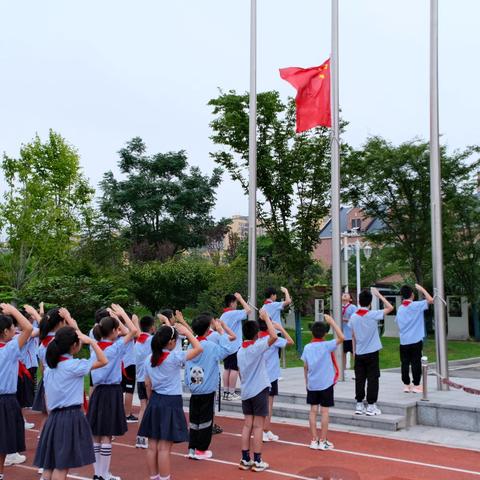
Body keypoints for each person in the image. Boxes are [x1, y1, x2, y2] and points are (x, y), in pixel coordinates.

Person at [34, 317, 108, 480]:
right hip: (70, 417)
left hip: (53, 418)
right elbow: (103, 360)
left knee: (50, 464)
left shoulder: (49, 370)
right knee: (62, 466)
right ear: (74, 346)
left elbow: (47, 400)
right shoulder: (74, 366)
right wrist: (92, 342)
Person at [138, 324, 202, 480]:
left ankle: (154, 477)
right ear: (172, 342)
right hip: (171, 402)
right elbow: (199, 348)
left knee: (152, 446)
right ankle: (165, 478)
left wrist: (151, 399)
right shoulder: (174, 357)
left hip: (155, 400)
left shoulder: (149, 359)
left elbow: (148, 384)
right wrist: (187, 332)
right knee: (164, 447)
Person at [87, 304, 138, 480]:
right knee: (107, 435)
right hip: (112, 391)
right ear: (115, 330)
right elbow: (133, 331)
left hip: (98, 391)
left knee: (96, 434)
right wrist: (122, 314)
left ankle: (97, 473)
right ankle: (103, 475)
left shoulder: (95, 347)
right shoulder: (115, 348)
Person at [185, 314, 236, 460]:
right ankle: (201, 449)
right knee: (206, 420)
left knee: (194, 420)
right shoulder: (211, 346)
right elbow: (228, 349)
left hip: (195, 389)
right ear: (208, 330)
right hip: (207, 389)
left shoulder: (191, 345)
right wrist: (221, 331)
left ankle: (192, 448)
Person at [237, 308, 277, 472]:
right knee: (258, 426)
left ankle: (245, 458)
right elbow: (274, 336)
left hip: (246, 391)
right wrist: (267, 318)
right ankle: (258, 459)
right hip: (259, 390)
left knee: (247, 425)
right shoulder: (256, 347)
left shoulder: (240, 351)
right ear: (256, 334)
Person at [0, 303, 33, 479]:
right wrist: (13, 311)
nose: (15, 330)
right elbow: (28, 328)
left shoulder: (9, 348)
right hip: (5, 400)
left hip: (5, 399)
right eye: (12, 327)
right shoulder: (10, 349)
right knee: (4, 443)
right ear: (5, 332)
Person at [301, 315, 344, 450]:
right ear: (325, 333)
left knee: (313, 411)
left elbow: (305, 366)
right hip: (326, 384)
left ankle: (314, 440)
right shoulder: (327, 345)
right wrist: (332, 322)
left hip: (312, 384)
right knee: (324, 411)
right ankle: (323, 440)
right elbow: (342, 337)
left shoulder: (307, 347)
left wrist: (306, 382)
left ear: (312, 332)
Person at [348, 288, 393, 416]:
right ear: (370, 303)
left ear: (359, 301)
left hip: (359, 352)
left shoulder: (354, 317)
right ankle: (371, 405)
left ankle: (359, 404)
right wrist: (379, 295)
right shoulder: (373, 314)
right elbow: (390, 308)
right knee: (373, 378)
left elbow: (353, 336)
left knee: (360, 379)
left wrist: (354, 352)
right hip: (372, 352)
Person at [258, 317, 294, 442]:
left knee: (265, 404)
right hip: (269, 376)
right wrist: (281, 328)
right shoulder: (273, 339)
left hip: (263, 375)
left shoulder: (258, 338)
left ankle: (266, 430)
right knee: (267, 405)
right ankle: (262, 430)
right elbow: (290, 341)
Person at [395, 284, 433, 393]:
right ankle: (416, 385)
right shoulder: (416, 305)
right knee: (416, 363)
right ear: (412, 295)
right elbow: (430, 300)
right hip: (416, 340)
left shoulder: (400, 309)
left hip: (404, 341)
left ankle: (406, 385)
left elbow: (398, 323)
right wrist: (422, 289)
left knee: (405, 363)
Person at [33, 309, 67, 416]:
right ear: (60, 323)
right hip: (61, 381)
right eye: (65, 321)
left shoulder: (43, 342)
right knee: (61, 414)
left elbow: (42, 367)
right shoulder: (60, 341)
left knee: (48, 415)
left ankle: (43, 433)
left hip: (47, 380)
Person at [221, 293, 251, 401]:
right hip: (234, 346)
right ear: (232, 303)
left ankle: (226, 392)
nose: (237, 305)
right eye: (236, 302)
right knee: (234, 369)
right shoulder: (234, 313)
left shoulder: (223, 315)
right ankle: (231, 392)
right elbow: (248, 310)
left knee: (227, 369)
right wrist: (241, 298)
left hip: (225, 346)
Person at [134, 315, 155, 449]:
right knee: (149, 408)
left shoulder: (138, 341)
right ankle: (148, 435)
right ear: (152, 327)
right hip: (149, 379)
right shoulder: (151, 340)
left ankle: (140, 437)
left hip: (139, 378)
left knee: (143, 407)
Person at [121, 313, 140, 424]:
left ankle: (118, 412)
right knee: (129, 390)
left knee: (120, 389)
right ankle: (127, 414)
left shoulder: (115, 330)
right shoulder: (127, 331)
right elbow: (137, 333)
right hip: (128, 364)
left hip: (120, 363)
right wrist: (134, 322)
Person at [341, 293, 357, 372]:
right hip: (342, 335)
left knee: (353, 353)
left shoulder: (353, 307)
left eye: (346, 295)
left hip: (350, 335)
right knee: (342, 354)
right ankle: (343, 372)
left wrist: (345, 320)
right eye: (343, 294)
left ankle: (356, 371)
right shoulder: (338, 307)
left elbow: (355, 319)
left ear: (350, 299)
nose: (344, 295)